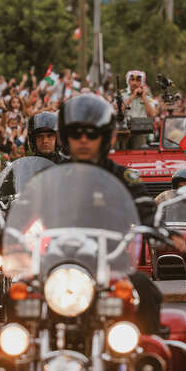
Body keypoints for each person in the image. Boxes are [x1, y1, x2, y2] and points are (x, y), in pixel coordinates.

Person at [58, 94, 165, 334]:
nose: (83, 139)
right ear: (65, 136)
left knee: (144, 289)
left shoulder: (122, 177)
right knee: (20, 293)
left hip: (110, 263)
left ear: (105, 137)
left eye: (91, 133)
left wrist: (158, 227)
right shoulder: (51, 179)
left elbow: (145, 207)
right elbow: (25, 212)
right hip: (58, 263)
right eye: (76, 133)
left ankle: (146, 352)